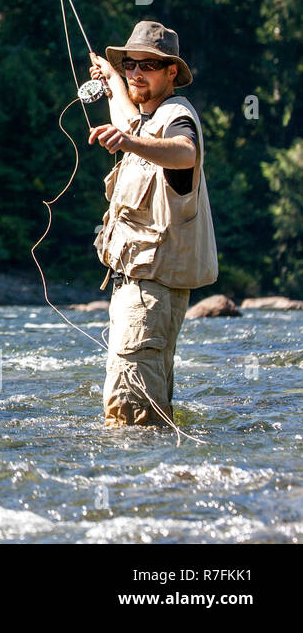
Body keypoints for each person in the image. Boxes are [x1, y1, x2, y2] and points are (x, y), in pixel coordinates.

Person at [86, 21, 218, 426]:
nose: (136, 73)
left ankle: (135, 485)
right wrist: (111, 79)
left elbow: (184, 153)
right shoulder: (148, 119)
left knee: (129, 413)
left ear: (171, 72)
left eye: (148, 65)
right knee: (148, 411)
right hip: (143, 290)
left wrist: (127, 142)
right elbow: (129, 118)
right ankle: (157, 480)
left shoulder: (176, 116)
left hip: (152, 293)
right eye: (130, 64)